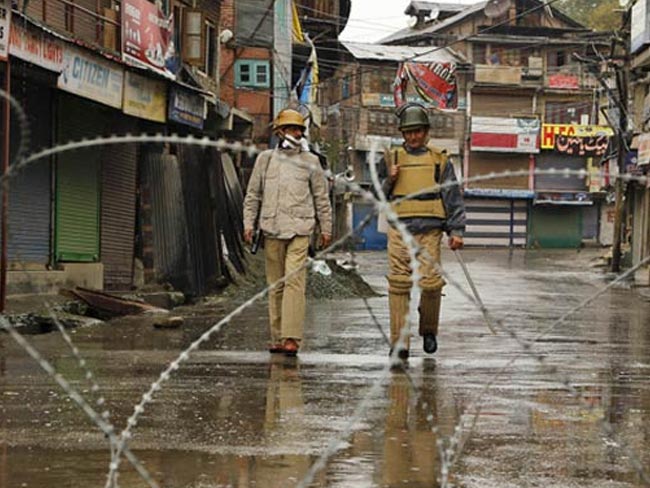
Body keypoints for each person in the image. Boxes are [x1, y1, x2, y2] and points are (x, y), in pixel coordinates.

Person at [243, 108, 332, 356]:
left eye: (299, 130)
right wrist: (248, 224)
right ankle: (278, 337)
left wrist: (326, 227)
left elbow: (321, 198)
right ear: (279, 132)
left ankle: (291, 338)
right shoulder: (265, 160)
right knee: (276, 285)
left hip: (300, 229)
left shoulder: (311, 162)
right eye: (292, 129)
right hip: (271, 228)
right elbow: (252, 195)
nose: (296, 133)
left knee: (294, 281)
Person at [381, 103, 466, 360]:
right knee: (399, 285)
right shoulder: (391, 159)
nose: (413, 137)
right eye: (408, 132)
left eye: (418, 131)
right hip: (399, 231)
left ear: (426, 131)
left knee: (431, 284)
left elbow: (452, 196)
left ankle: (428, 329)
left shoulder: (440, 159)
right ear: (402, 133)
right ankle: (400, 344)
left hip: (430, 231)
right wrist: (389, 179)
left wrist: (457, 229)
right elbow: (376, 196)